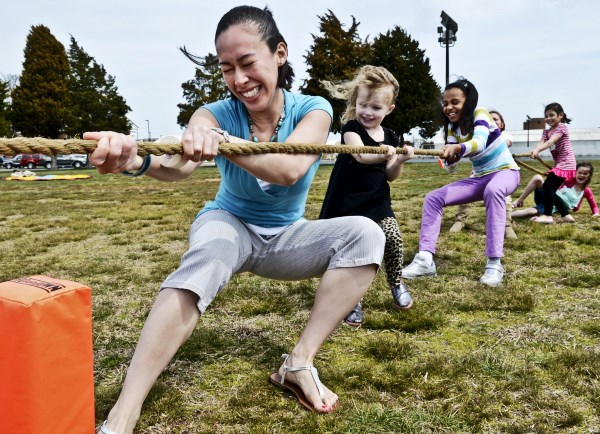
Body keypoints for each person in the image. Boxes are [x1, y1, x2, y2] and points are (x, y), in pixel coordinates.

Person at [89, 7, 386, 433]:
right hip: (227, 223)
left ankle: (298, 364)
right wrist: (133, 158)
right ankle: (124, 412)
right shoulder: (212, 114)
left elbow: (289, 170)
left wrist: (224, 143)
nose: (239, 80)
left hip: (287, 237)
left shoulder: (313, 109)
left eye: (248, 63)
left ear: (279, 54)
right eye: (227, 69)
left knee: (365, 233)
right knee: (205, 258)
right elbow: (177, 165)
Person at [318, 65, 415, 327]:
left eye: (375, 108)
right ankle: (352, 299)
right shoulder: (351, 128)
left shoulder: (392, 136)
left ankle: (396, 283)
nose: (368, 112)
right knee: (355, 252)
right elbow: (360, 156)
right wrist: (384, 153)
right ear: (356, 103)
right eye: (363, 105)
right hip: (348, 200)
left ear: (389, 109)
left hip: (376, 199)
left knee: (393, 236)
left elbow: (390, 174)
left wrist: (400, 159)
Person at [401, 78, 520, 287]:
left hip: (505, 172)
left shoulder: (480, 113)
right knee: (433, 198)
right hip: (480, 177)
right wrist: (450, 160)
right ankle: (425, 259)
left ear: (469, 101)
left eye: (455, 102)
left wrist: (458, 149)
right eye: (445, 103)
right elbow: (451, 167)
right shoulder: (452, 129)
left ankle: (494, 263)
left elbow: (480, 143)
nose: (449, 108)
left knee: (494, 191)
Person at [449, 110, 517, 238]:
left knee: (505, 196)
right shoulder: (476, 136)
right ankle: (460, 220)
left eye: (495, 119)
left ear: (502, 124)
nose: (491, 120)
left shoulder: (505, 136)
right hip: (480, 173)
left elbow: (504, 142)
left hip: (501, 172)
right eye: (489, 118)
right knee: (465, 192)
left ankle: (507, 224)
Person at [529, 102, 577, 224]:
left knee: (547, 187)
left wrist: (538, 150)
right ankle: (566, 215)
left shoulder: (562, 128)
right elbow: (542, 142)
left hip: (566, 162)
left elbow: (550, 142)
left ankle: (547, 215)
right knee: (550, 189)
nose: (548, 118)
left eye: (551, 115)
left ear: (560, 115)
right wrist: (536, 150)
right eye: (546, 116)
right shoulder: (546, 131)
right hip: (560, 163)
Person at [512, 162, 599, 221]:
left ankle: (507, 214)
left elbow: (594, 206)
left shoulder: (586, 191)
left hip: (554, 207)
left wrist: (596, 214)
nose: (581, 175)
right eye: (580, 173)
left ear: (589, 176)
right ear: (575, 173)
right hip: (548, 198)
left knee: (531, 211)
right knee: (537, 178)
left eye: (585, 174)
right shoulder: (567, 180)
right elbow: (552, 182)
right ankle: (519, 201)